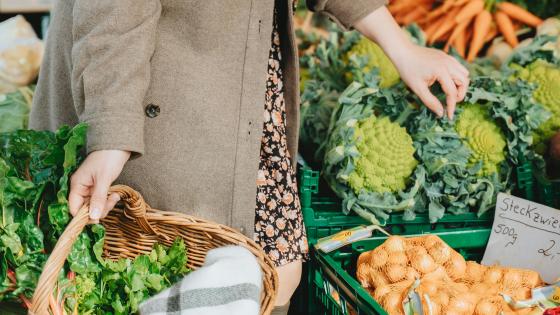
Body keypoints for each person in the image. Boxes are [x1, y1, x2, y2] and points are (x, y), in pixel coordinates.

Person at [30, 1, 469, 314]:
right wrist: (111, 132)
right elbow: (116, 11)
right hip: (156, 93)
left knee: (276, 274)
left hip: (248, 94)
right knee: (172, 272)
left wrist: (400, 46)